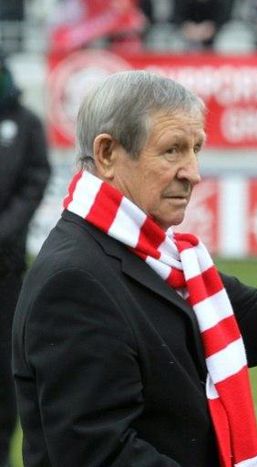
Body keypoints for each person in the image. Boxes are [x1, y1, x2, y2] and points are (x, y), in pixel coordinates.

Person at [12, 70, 257, 467]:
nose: (193, 172)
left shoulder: (166, 259)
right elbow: (99, 454)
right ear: (108, 154)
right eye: (172, 150)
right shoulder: (76, 280)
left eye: (195, 148)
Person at [0, 52, 50, 467]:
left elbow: (36, 178)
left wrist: (5, 230)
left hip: (6, 268)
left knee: (6, 371)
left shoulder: (26, 124)